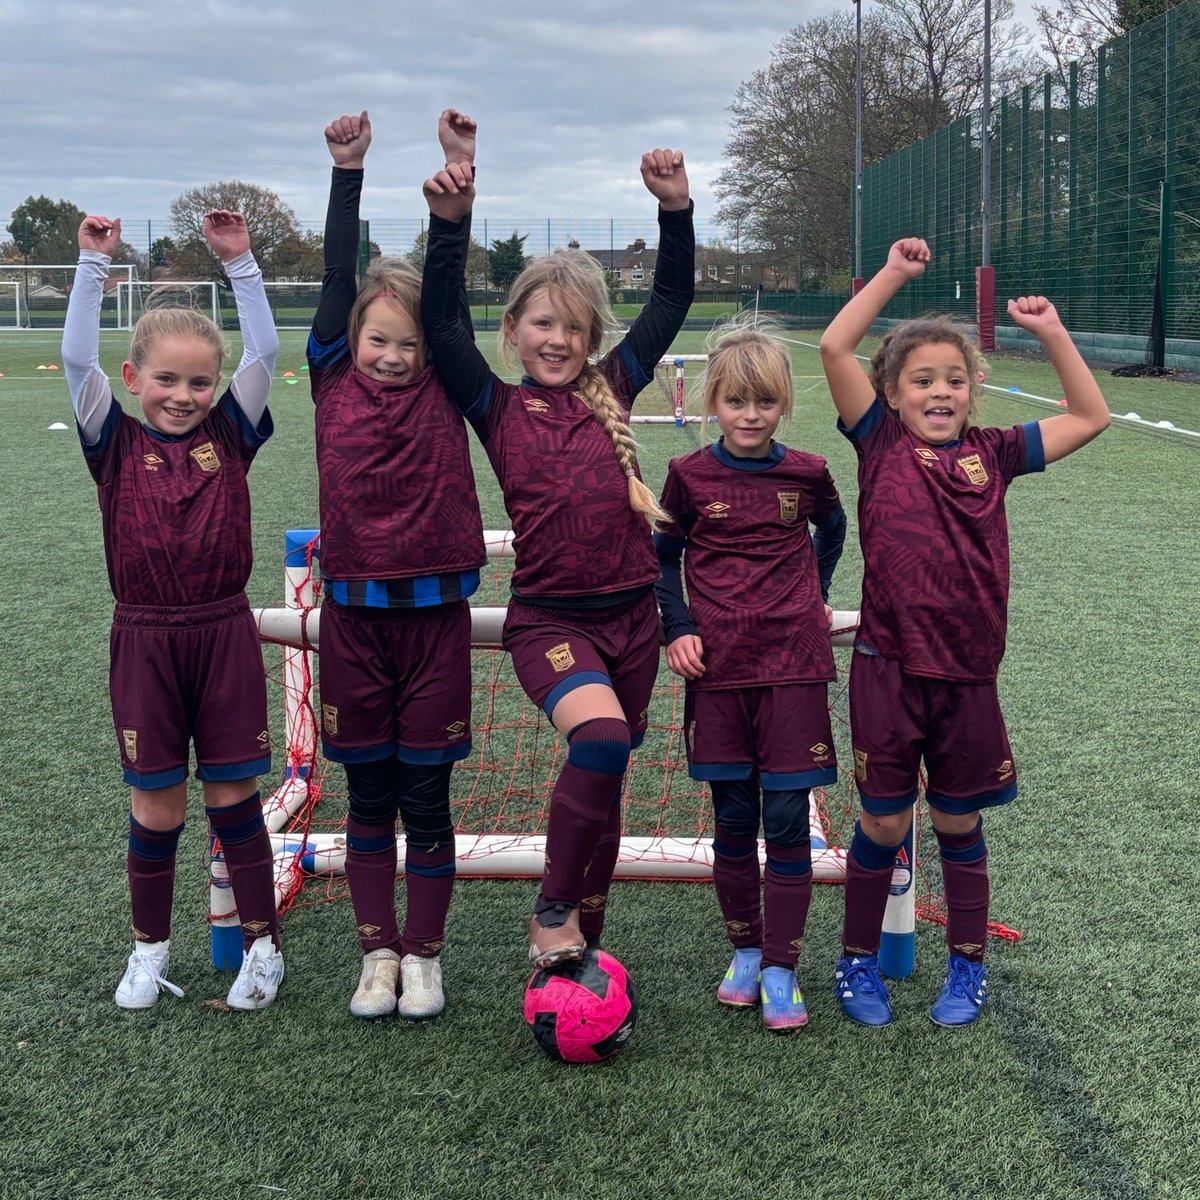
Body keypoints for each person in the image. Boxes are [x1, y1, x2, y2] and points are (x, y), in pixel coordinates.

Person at [818, 237, 1110, 1027]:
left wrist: (1051, 334)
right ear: (891, 391)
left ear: (974, 389)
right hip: (887, 669)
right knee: (883, 821)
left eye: (953, 379)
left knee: (957, 821)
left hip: (969, 677)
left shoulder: (999, 452)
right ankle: (856, 963)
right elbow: (833, 344)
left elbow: (1092, 415)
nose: (939, 392)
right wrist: (894, 274)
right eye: (922, 380)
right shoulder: (877, 443)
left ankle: (968, 966)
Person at [421, 147, 694, 968]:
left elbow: (673, 296)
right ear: (512, 332)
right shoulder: (495, 406)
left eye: (574, 328)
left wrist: (674, 210)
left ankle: (581, 953)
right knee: (602, 741)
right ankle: (549, 912)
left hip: (632, 623)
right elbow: (440, 325)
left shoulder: (616, 384)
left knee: (604, 789)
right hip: (550, 624)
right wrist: (450, 223)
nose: (558, 339)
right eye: (542, 324)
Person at [62, 210, 284, 1011]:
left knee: (232, 797)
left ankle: (262, 946)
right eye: (166, 379)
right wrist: (93, 263)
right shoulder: (109, 442)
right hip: (145, 641)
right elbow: (73, 355)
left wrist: (242, 265)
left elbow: (265, 352)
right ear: (132, 379)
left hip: (222, 632)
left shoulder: (231, 436)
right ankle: (149, 951)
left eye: (199, 382)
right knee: (155, 801)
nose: (183, 396)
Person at [309, 110, 486, 1020]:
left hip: (433, 621)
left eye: (407, 343)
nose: (390, 354)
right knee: (367, 792)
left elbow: (447, 298)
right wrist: (350, 171)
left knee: (428, 793)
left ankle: (426, 954)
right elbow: (341, 275)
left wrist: (457, 182)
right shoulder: (333, 371)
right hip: (353, 617)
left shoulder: (447, 380)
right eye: (379, 338)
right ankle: (375, 953)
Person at [654, 323, 846, 1032]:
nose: (750, 415)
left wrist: (815, 593)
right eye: (736, 401)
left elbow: (834, 527)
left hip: (793, 666)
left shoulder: (809, 472)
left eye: (764, 402)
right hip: (719, 671)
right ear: (714, 401)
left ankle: (782, 966)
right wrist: (679, 628)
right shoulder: (689, 475)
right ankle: (743, 950)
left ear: (783, 405)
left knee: (789, 820)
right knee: (733, 819)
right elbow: (661, 556)